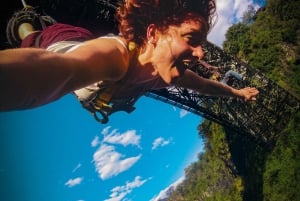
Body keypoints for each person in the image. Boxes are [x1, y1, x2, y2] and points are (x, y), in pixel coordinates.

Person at [0, 0, 259, 121]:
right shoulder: (115, 57)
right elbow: (57, 71)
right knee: (34, 36)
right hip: (64, 41)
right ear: (153, 33)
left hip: (91, 44)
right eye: (190, 38)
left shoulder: (163, 74)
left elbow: (205, 86)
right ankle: (28, 18)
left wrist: (239, 93)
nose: (201, 53)